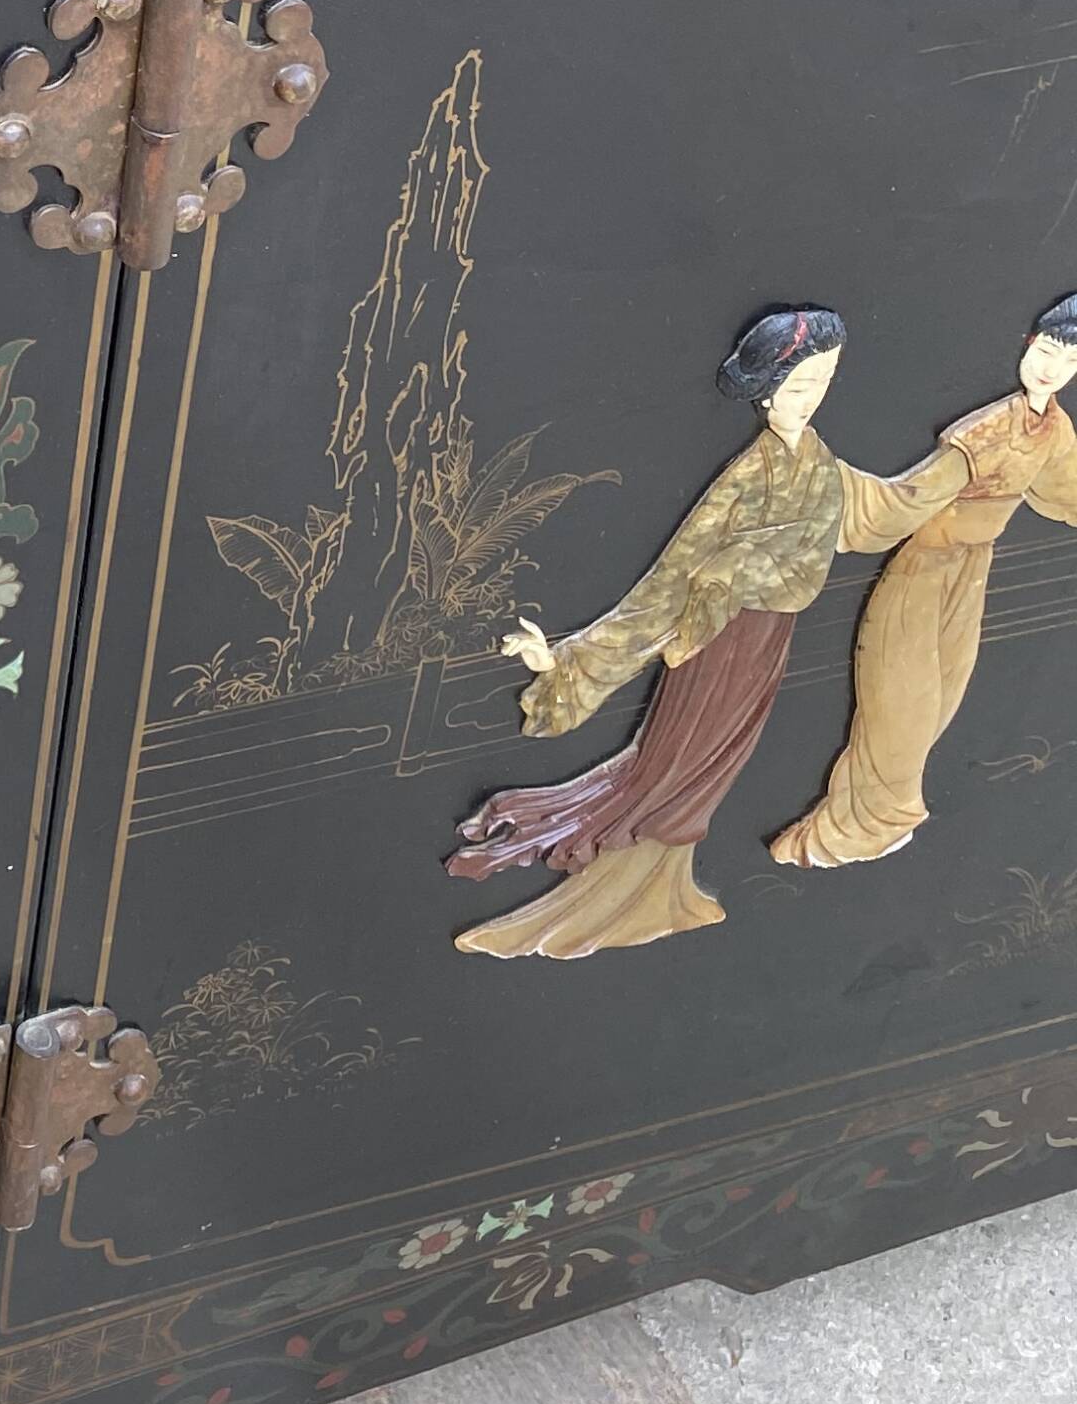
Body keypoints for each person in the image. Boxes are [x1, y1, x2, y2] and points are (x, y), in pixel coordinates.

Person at [447, 308, 972, 960]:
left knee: (720, 766)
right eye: (801, 388)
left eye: (824, 385)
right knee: (679, 766)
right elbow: (666, 585)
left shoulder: (819, 464)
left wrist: (967, 462)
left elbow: (884, 508)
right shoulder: (747, 477)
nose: (813, 401)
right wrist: (559, 657)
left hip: (766, 644)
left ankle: (665, 890)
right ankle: (623, 896)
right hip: (717, 643)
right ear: (766, 390)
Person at [771, 294, 1077, 869]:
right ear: (1029, 343)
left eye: (1069, 360)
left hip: (972, 568)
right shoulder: (986, 432)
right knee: (900, 701)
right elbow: (906, 501)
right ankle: (875, 821)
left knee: (943, 697)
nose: (1050, 367)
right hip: (924, 569)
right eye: (1048, 348)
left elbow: (1068, 492)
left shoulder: (1054, 431)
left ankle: (868, 816)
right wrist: (819, 471)